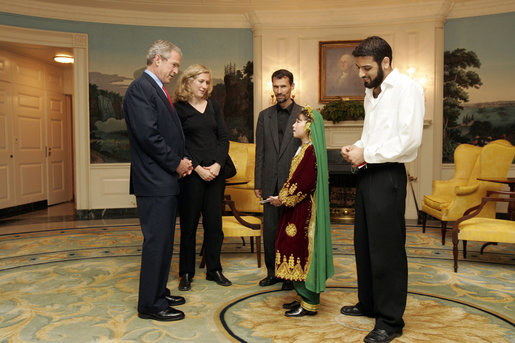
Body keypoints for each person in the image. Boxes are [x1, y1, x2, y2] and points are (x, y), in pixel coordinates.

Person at [340, 36, 424, 343]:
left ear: (385, 62)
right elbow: (370, 135)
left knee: (386, 249)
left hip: (388, 175)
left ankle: (390, 320)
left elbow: (410, 141)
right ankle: (369, 304)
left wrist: (368, 154)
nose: (361, 73)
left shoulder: (408, 89)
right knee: (363, 243)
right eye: (359, 68)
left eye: (366, 67)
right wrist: (357, 148)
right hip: (368, 173)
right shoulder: (371, 93)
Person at [123, 40, 193, 321]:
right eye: (174, 64)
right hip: (154, 181)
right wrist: (176, 162)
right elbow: (148, 137)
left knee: (164, 242)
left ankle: (159, 292)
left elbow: (173, 133)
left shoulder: (158, 89)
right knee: (156, 242)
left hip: (164, 180)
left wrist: (184, 160)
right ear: (156, 60)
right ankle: (150, 305)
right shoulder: (140, 89)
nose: (176, 70)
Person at [267, 106, 334, 317]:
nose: (294, 125)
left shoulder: (311, 151)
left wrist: (281, 199)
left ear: (309, 126)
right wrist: (283, 197)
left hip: (303, 213)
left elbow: (303, 183)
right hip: (295, 209)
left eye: (298, 121)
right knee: (292, 248)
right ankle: (301, 297)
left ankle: (309, 302)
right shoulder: (303, 149)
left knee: (299, 250)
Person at [173, 64, 232, 291]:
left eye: (208, 82)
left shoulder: (214, 106)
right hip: (191, 175)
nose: (205, 86)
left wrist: (217, 165)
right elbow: (180, 143)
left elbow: (224, 138)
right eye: (201, 82)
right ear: (188, 81)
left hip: (216, 175)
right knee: (189, 226)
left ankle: (214, 269)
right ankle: (186, 273)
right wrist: (197, 168)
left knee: (214, 225)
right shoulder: (178, 109)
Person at [254, 69, 302, 289]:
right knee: (271, 230)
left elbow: (306, 151)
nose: (279, 91)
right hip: (269, 182)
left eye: (283, 86)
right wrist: (258, 183)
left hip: (293, 184)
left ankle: (290, 275)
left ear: (292, 86)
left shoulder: (304, 115)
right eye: (276, 87)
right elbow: (260, 152)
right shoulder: (265, 116)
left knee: (291, 230)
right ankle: (272, 272)